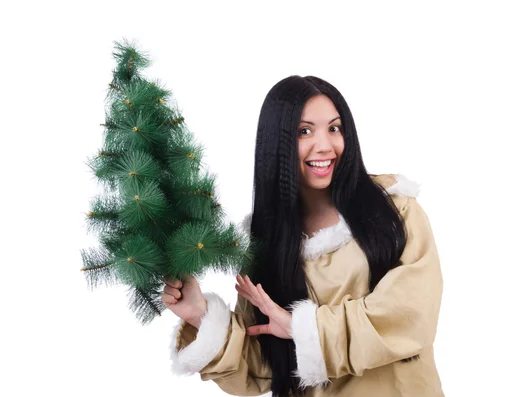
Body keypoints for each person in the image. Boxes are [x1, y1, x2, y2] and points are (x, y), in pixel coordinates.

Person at [162, 76, 444, 397]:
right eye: (304, 131)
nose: (324, 145)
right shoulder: (264, 243)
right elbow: (265, 369)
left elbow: (410, 315)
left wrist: (301, 328)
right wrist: (201, 315)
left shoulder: (395, 210)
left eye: (334, 128)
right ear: (276, 143)